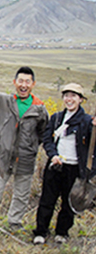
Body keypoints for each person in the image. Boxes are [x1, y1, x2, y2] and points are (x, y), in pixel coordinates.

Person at [0, 60, 48, 235]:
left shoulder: (40, 109)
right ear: (14, 83)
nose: (24, 85)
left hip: (25, 159)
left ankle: (15, 222)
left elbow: (43, 133)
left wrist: (31, 147)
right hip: (2, 158)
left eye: (27, 82)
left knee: (21, 194)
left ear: (33, 84)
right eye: (20, 81)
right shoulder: (3, 101)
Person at [33, 83, 96, 245]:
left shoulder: (88, 121)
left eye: (73, 96)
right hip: (55, 165)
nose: (69, 99)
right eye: (66, 95)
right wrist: (53, 155)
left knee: (68, 203)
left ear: (80, 99)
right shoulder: (56, 118)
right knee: (47, 200)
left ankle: (62, 232)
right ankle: (40, 232)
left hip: (75, 168)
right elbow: (47, 139)